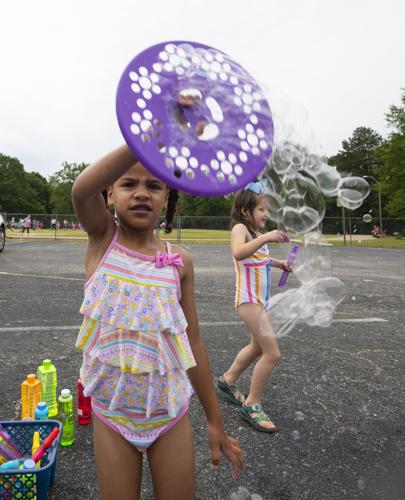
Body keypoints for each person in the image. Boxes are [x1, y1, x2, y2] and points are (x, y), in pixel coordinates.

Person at [72, 144, 244, 500]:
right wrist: (150, 139)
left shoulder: (179, 261)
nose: (140, 193)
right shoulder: (103, 239)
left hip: (169, 411)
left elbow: (192, 340)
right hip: (112, 412)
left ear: (166, 198)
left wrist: (214, 420)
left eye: (154, 185)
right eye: (128, 183)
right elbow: (80, 190)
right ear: (109, 193)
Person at [217, 182, 291, 433]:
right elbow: (239, 253)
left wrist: (279, 263)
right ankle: (252, 404)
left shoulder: (258, 236)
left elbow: (259, 259)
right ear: (246, 211)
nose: (265, 215)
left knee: (257, 347)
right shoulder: (240, 229)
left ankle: (227, 381)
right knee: (272, 353)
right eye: (261, 209)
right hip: (248, 300)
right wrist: (269, 236)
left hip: (259, 301)